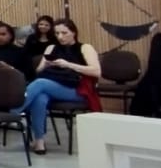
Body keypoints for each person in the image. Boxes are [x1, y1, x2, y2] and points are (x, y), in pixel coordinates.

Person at [17, 18, 101, 154]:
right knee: (40, 98)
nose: (60, 37)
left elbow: (96, 71)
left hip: (77, 89)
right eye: (57, 33)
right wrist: (46, 65)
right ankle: (39, 142)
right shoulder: (51, 48)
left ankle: (14, 110)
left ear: (73, 32)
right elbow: (38, 71)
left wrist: (68, 64)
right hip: (53, 85)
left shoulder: (85, 47)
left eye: (64, 33)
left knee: (40, 83)